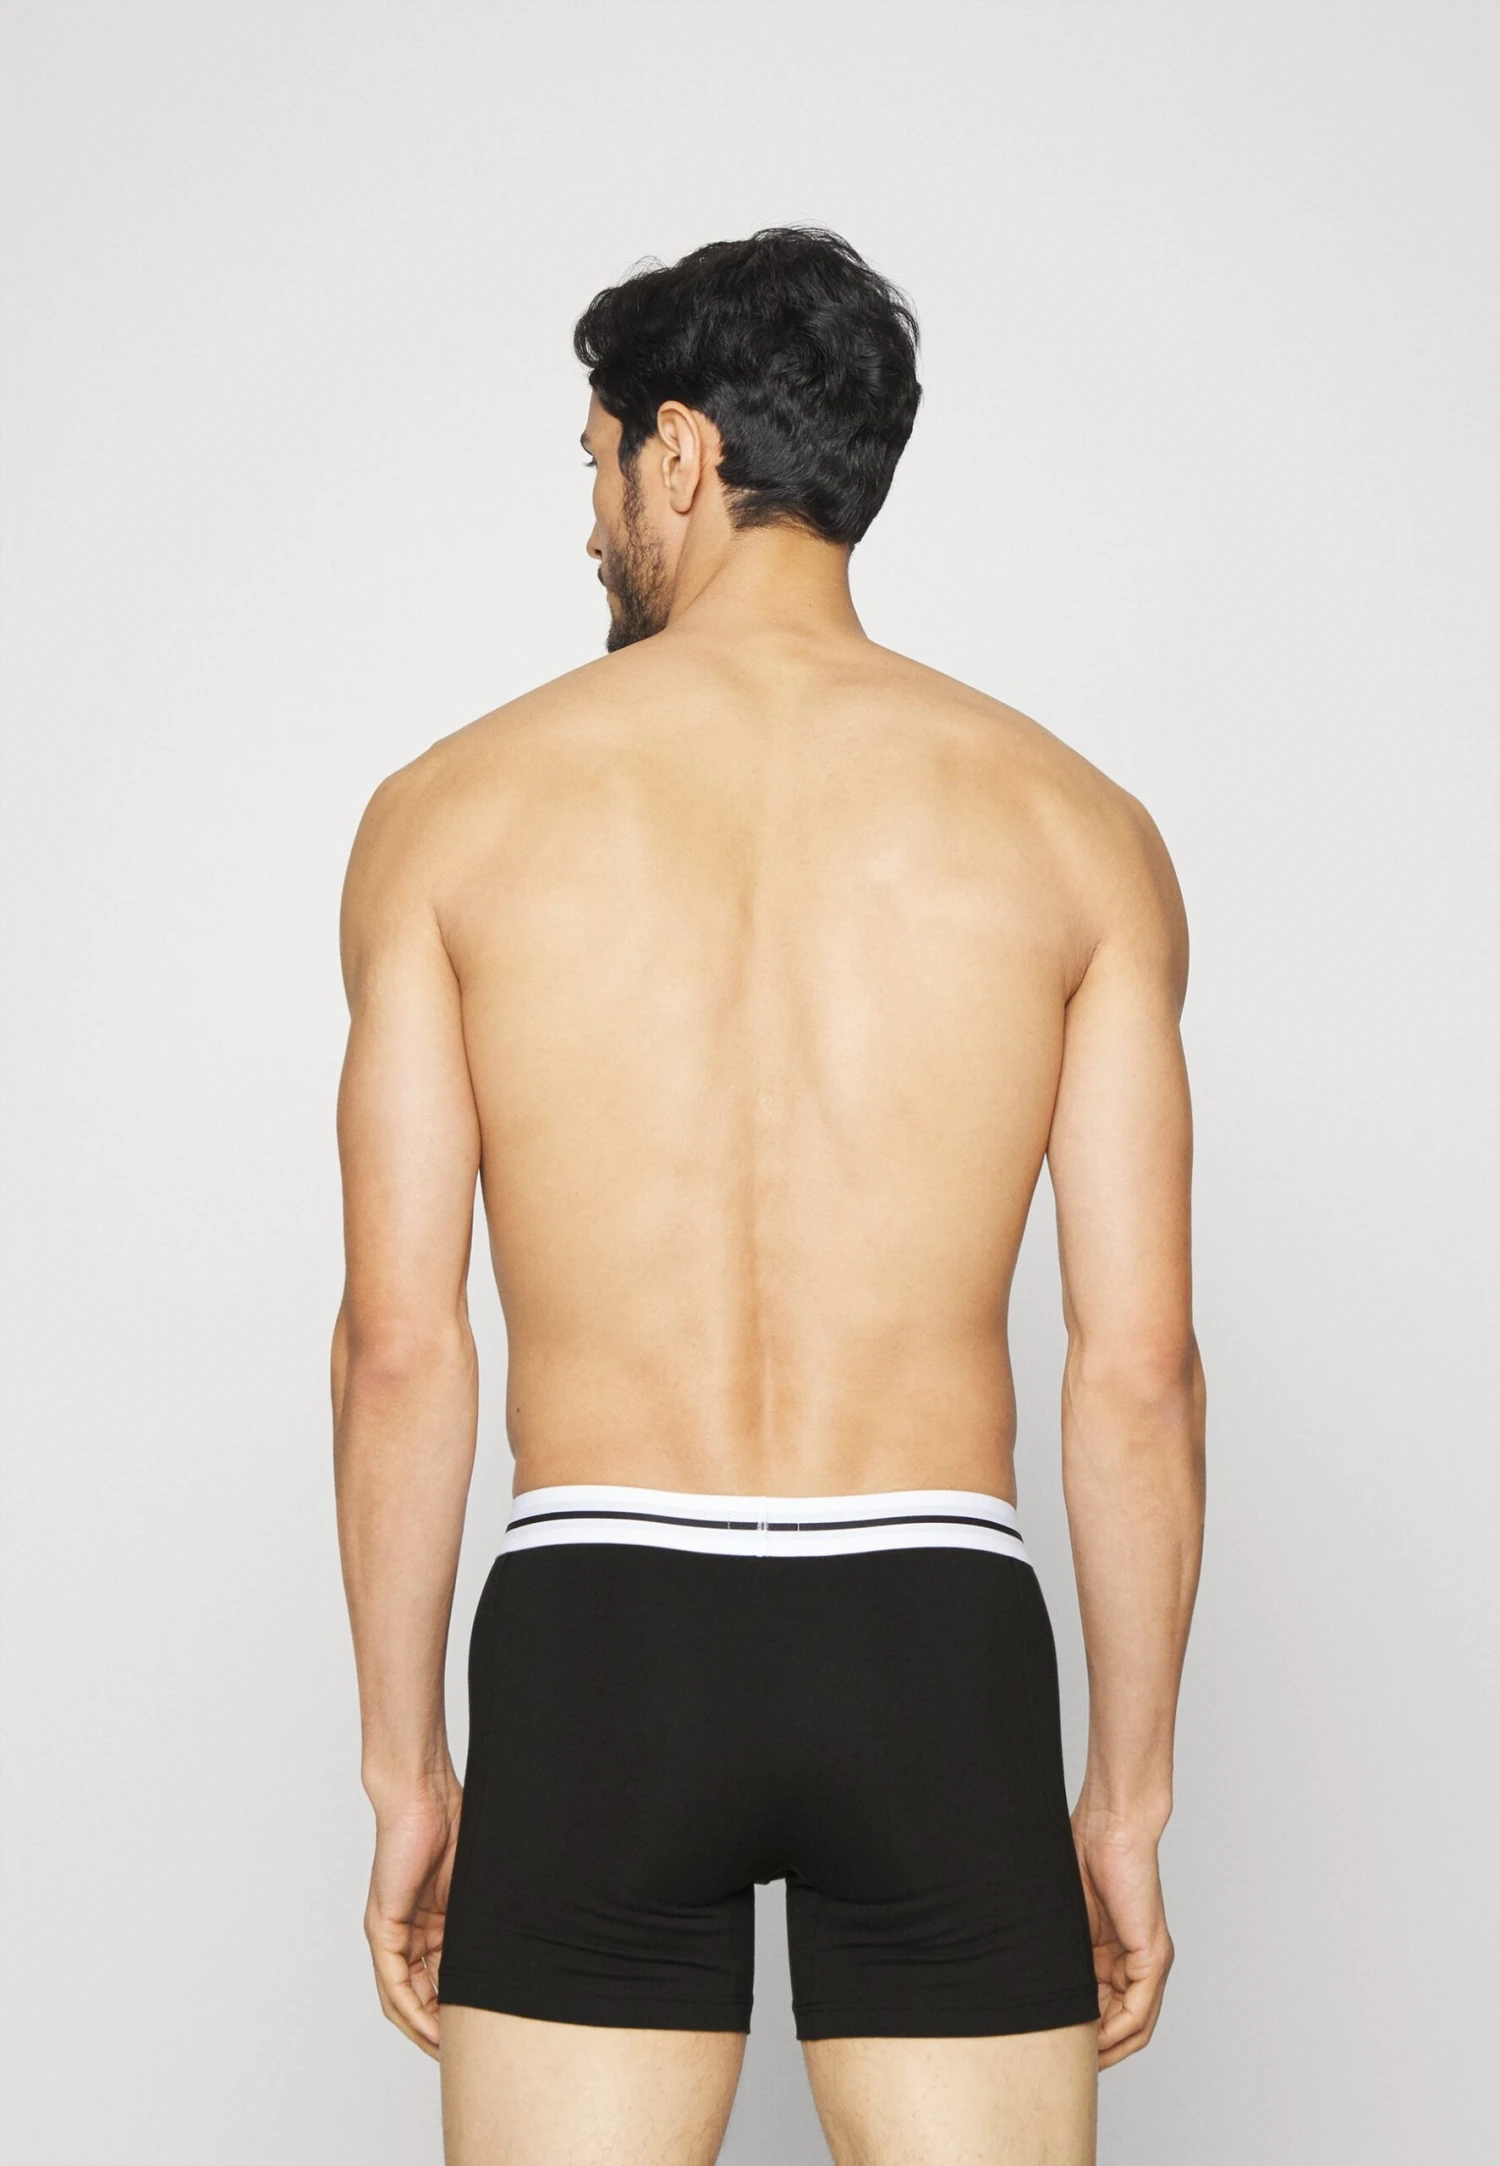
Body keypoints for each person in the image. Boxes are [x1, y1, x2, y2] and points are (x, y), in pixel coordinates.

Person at [331, 227, 1205, 2166]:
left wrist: (407, 1769)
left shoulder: (446, 815)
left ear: (682, 451)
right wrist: (1128, 1798)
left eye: (594, 466)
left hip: (602, 1635)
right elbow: (1138, 1368)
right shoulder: (1078, 829)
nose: (588, 525)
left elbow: (400, 1347)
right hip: (933, 1641)